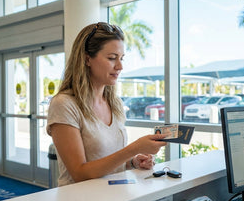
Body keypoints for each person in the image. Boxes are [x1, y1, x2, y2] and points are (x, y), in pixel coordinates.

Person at [46, 22, 167, 186]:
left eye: (121, 58)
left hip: (115, 198)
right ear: (87, 59)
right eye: (112, 58)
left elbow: (108, 161)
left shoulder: (115, 103)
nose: (120, 66)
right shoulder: (64, 104)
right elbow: (79, 173)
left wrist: (133, 161)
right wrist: (133, 148)